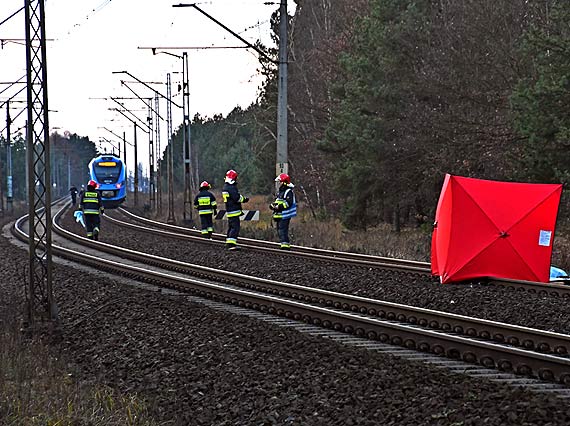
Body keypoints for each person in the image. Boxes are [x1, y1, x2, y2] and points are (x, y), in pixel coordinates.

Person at [222, 169, 249, 250]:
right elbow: (236, 198)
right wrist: (244, 199)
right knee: (235, 227)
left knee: (231, 226)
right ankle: (231, 244)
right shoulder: (231, 187)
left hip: (229, 210)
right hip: (234, 210)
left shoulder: (225, 187)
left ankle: (229, 241)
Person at [270, 173, 297, 250]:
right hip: (280, 215)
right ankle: (284, 244)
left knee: (283, 230)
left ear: (284, 182)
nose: (279, 183)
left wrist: (279, 207)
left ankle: (285, 246)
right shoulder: (281, 191)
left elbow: (288, 203)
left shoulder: (288, 192)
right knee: (279, 230)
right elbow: (278, 201)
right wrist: (273, 206)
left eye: (280, 182)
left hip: (285, 215)